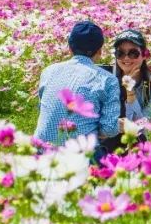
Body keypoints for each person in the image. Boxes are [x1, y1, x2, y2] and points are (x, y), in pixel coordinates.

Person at [34, 21, 121, 160]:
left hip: (41, 153)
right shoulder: (107, 79)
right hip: (79, 158)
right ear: (100, 51)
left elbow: (44, 110)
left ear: (69, 47)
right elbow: (109, 129)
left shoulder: (49, 71)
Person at [98, 29, 151, 154]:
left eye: (133, 53)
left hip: (132, 145)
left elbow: (141, 125)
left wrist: (130, 93)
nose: (126, 58)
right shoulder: (105, 77)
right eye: (120, 53)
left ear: (144, 55)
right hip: (103, 145)